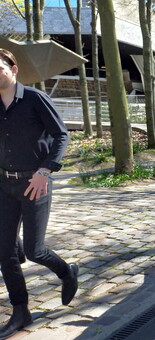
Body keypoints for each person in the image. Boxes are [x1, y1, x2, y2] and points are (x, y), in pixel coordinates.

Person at [0, 48, 79, 339]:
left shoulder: (34, 99)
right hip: (4, 185)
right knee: (4, 252)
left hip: (36, 182)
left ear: (13, 69)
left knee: (34, 250)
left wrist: (45, 170)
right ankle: (21, 311)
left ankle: (66, 271)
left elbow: (61, 134)